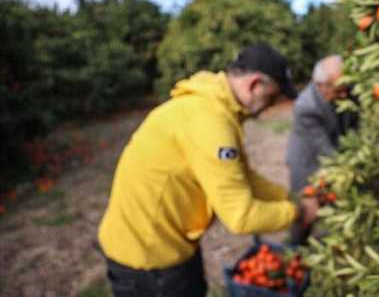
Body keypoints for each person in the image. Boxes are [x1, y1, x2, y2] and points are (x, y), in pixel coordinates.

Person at [97, 44, 319, 297]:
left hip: (166, 243)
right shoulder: (211, 121)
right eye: (272, 98)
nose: (270, 107)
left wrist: (290, 198)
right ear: (254, 85)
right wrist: (299, 212)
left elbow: (244, 178)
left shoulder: (212, 107)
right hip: (150, 261)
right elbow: (241, 217)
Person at [285, 54, 357, 245]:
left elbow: (354, 127)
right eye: (339, 90)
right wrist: (350, 167)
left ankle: (331, 241)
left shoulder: (345, 91)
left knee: (332, 202)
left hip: (332, 152)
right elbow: (324, 147)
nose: (344, 95)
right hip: (307, 161)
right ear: (320, 85)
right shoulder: (306, 107)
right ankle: (295, 247)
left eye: (346, 89)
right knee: (306, 208)